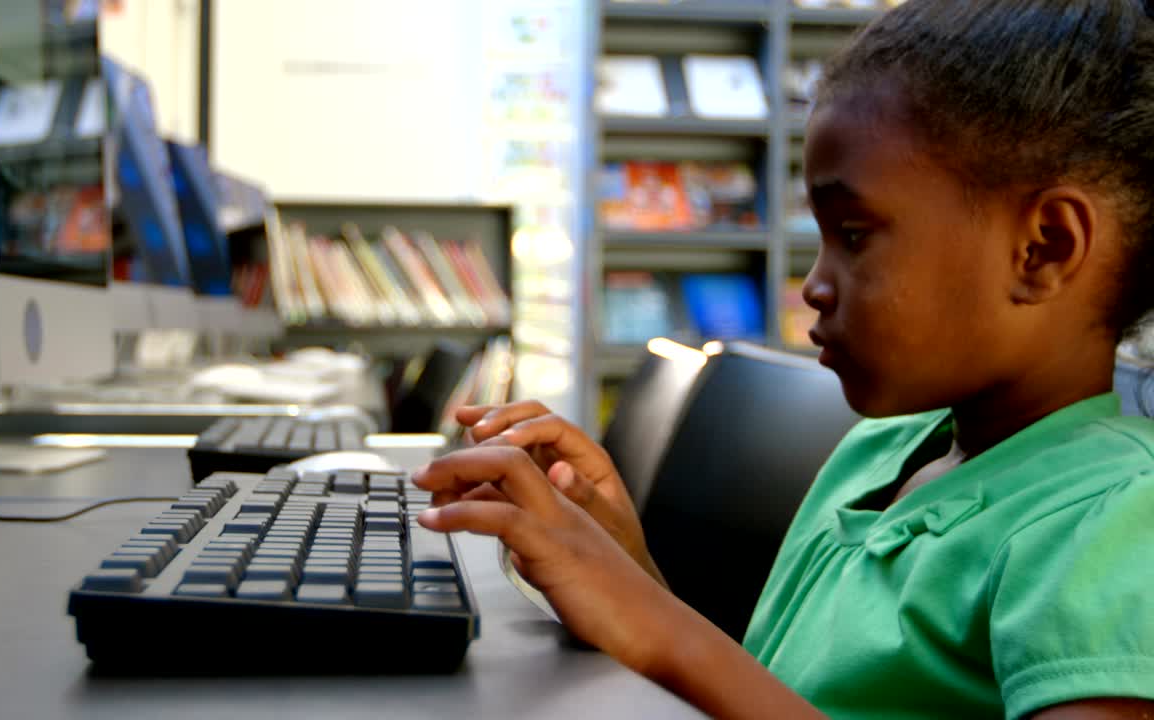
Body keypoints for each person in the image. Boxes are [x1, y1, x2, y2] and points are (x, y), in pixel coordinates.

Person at [410, 1, 1154, 717]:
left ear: (1044, 248)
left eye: (854, 235)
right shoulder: (880, 449)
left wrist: (658, 628)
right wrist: (622, 569)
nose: (814, 286)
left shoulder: (1114, 518)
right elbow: (781, 696)